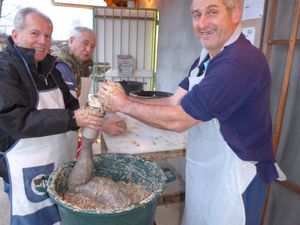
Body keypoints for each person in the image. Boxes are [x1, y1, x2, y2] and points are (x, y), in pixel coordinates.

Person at [99, 0, 286, 225]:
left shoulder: (240, 62)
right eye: (196, 15)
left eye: (212, 12)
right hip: (207, 168)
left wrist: (123, 105)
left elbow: (180, 119)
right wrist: (125, 98)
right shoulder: (205, 59)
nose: (202, 23)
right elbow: (173, 101)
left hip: (236, 175)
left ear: (236, 13)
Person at [0, 7, 103, 225]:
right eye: (35, 33)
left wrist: (93, 118)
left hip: (58, 161)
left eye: (47, 35)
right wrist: (74, 119)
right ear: (15, 35)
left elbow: (72, 105)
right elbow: (16, 120)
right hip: (27, 171)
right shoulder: (5, 69)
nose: (43, 41)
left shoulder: (51, 69)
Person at [52, 26, 127, 137]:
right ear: (71, 41)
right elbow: (59, 111)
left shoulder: (83, 65)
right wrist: (102, 125)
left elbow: (79, 101)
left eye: (92, 46)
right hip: (58, 134)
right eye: (85, 43)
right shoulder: (61, 67)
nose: (89, 49)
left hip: (73, 131)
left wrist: (102, 113)